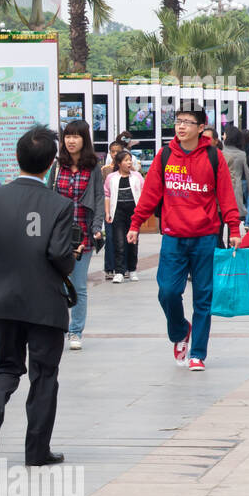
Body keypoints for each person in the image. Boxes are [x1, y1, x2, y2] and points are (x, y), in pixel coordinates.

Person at [0, 126, 74, 467]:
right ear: (50, 164)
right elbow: (59, 256)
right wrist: (74, 254)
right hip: (45, 303)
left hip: (4, 301)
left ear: (17, 157)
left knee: (6, 366)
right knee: (44, 375)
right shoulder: (60, 205)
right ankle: (36, 450)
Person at [127, 108, 241, 372]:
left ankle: (198, 353)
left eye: (187, 123)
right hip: (173, 238)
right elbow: (151, 193)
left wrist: (234, 228)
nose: (180, 127)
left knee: (203, 297)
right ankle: (181, 331)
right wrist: (135, 223)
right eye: (178, 122)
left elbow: (226, 195)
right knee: (167, 292)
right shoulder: (166, 155)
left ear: (201, 128)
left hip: (205, 237)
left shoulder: (214, 157)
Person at [49, 119, 104, 351]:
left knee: (78, 284)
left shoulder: (93, 167)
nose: (71, 141)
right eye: (67, 136)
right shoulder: (57, 166)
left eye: (76, 136)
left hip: (82, 232)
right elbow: (48, 196)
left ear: (85, 140)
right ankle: (59, 326)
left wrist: (97, 227)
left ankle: (75, 331)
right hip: (59, 234)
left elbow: (99, 198)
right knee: (57, 283)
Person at [104, 151, 143, 283]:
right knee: (119, 242)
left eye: (130, 160)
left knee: (133, 242)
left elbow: (144, 194)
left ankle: (132, 270)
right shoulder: (111, 177)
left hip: (133, 213)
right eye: (126, 160)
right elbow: (107, 195)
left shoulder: (137, 176)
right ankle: (119, 271)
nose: (129, 162)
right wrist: (107, 212)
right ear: (119, 163)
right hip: (117, 213)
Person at [101, 138, 128, 280]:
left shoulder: (129, 169)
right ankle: (109, 267)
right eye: (113, 151)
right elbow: (103, 193)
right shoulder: (105, 170)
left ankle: (125, 267)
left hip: (125, 208)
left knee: (123, 239)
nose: (115, 154)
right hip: (110, 209)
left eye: (118, 151)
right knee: (111, 238)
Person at [221, 125, 249, 233]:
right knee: (234, 219)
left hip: (222, 188)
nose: (223, 135)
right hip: (236, 188)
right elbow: (248, 174)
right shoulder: (241, 154)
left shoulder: (220, 151)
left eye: (224, 133)